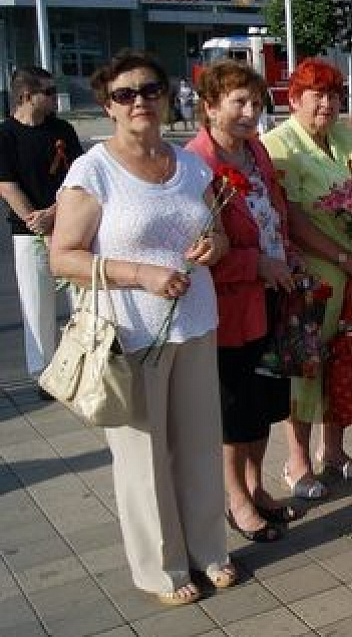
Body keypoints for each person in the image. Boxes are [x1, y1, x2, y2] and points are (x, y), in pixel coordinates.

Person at [49, 51, 236, 604]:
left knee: (200, 446)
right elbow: (63, 257)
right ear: (107, 105)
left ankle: (209, 550)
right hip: (131, 334)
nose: (140, 101)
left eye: (150, 90)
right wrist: (140, 274)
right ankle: (163, 569)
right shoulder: (93, 171)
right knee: (143, 457)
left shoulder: (190, 166)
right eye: (125, 94)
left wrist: (214, 246)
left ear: (166, 95)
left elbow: (220, 234)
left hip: (195, 323)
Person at [186, 60, 301, 543]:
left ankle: (256, 485)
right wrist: (257, 264)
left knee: (265, 400)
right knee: (234, 409)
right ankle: (234, 498)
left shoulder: (256, 150)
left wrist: (287, 255)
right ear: (211, 107)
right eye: (239, 102)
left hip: (273, 297)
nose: (251, 112)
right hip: (231, 308)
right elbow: (197, 253)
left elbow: (275, 211)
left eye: (256, 102)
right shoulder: (196, 164)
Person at [262, 58, 352, 500]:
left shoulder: (344, 135)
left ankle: (333, 450)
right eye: (318, 95)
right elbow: (291, 217)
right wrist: (345, 259)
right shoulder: (279, 144)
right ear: (294, 99)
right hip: (312, 275)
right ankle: (297, 462)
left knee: (343, 360)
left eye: (334, 95)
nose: (328, 104)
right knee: (306, 367)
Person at [0, 66, 84, 394]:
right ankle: (45, 375)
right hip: (28, 233)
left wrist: (54, 213)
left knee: (82, 300)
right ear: (26, 96)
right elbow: (7, 185)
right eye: (47, 93)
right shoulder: (5, 135)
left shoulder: (63, 130)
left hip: (71, 227)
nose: (54, 99)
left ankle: (85, 366)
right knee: (37, 306)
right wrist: (37, 222)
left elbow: (79, 178)